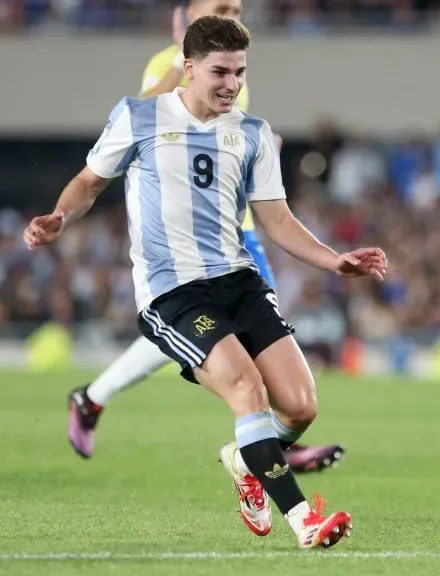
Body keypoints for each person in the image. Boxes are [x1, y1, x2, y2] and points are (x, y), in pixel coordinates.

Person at [25, 16, 387, 548]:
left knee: (301, 406)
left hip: (239, 280)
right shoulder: (139, 117)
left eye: (240, 72)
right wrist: (59, 217)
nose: (232, 84)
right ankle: (305, 522)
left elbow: (278, 220)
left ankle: (247, 459)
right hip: (173, 292)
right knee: (247, 389)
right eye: (220, 72)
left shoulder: (253, 134)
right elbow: (88, 182)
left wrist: (336, 262)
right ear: (188, 69)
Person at [66, 0, 347, 478]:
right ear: (187, 17)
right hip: (193, 237)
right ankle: (265, 448)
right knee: (206, 333)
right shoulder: (174, 62)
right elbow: (148, 117)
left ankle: (268, 439)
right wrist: (179, 61)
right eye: (220, 7)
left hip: (239, 229)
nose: (233, 14)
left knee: (233, 333)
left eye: (236, 7)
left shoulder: (234, 73)